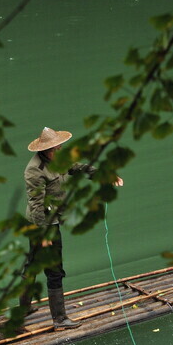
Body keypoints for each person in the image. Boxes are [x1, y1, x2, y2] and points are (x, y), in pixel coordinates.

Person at [23, 126, 123, 329]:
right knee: (54, 270)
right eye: (56, 148)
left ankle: (24, 308)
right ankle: (60, 319)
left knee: (32, 264)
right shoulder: (35, 171)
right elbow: (36, 203)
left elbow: (78, 168)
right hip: (43, 222)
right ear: (45, 150)